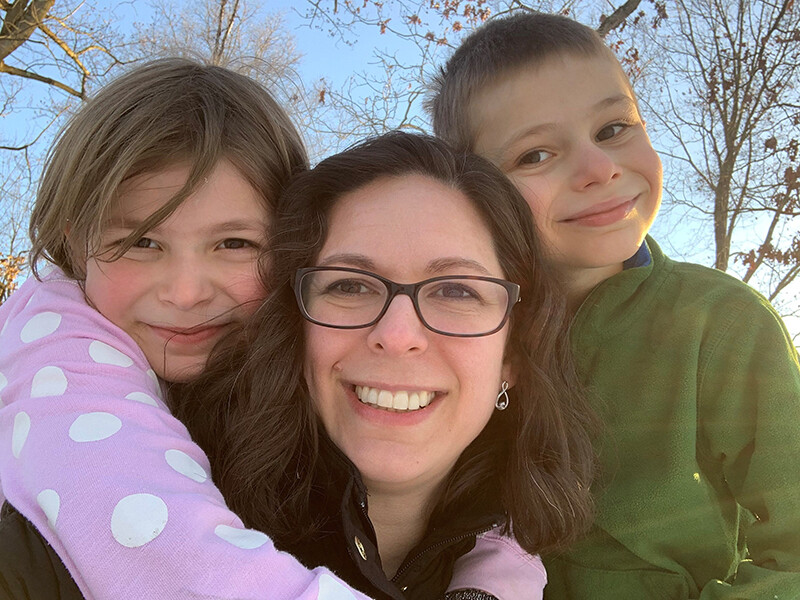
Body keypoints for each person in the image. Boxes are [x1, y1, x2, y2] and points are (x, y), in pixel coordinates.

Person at [426, 11, 800, 599]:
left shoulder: (721, 323)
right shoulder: (463, 331)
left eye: (612, 129)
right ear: (476, 191)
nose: (600, 170)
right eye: (536, 155)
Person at [0, 58, 375, 600]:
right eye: (142, 243)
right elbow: (160, 547)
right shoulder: (55, 345)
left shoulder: (315, 341)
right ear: (73, 242)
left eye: (235, 245)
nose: (185, 291)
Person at [168, 131, 596, 600]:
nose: (396, 336)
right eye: (350, 286)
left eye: (456, 290)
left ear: (511, 356)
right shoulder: (170, 508)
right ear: (294, 324)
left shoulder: (559, 562)